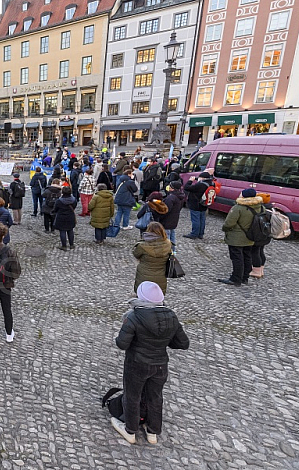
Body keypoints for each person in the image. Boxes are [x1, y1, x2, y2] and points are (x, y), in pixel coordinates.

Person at [113, 281, 189, 445]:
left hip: (137, 364)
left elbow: (122, 344)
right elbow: (183, 343)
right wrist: (163, 343)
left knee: (132, 396)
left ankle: (130, 430)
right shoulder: (171, 316)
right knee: (155, 397)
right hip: (160, 364)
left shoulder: (134, 316)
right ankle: (153, 432)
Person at [219, 188, 262, 286]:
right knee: (247, 256)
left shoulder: (238, 208)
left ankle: (236, 278)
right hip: (251, 236)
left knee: (237, 258)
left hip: (237, 238)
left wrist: (225, 229)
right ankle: (244, 278)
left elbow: (229, 223)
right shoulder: (260, 207)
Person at [133, 222, 172, 294]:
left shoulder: (143, 246)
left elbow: (136, 254)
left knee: (143, 295)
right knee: (157, 295)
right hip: (160, 275)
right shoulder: (168, 244)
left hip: (144, 275)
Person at [183, 172, 212, 239]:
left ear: (203, 178)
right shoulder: (211, 183)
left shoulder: (201, 185)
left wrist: (190, 181)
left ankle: (194, 234)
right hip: (204, 204)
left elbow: (187, 187)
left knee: (195, 219)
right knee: (202, 219)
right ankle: (200, 234)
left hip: (196, 204)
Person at [161, 182, 185, 247]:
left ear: (172, 188)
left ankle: (168, 252)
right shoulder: (180, 196)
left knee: (167, 237)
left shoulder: (171, 198)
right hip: (174, 219)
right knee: (172, 235)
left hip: (167, 220)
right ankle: (172, 251)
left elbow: (166, 210)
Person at [53, 186, 77, 250]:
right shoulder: (74, 200)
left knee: (62, 231)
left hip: (61, 217)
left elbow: (55, 209)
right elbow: (74, 206)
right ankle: (71, 245)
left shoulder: (59, 201)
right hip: (70, 216)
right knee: (70, 230)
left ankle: (64, 246)